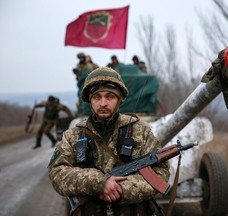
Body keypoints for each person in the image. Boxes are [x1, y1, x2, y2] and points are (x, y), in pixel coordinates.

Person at [48, 67, 170, 216]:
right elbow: (57, 173)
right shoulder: (73, 135)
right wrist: (99, 183)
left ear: (119, 100)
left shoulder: (141, 132)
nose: (103, 103)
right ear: (90, 100)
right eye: (97, 97)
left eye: (110, 96)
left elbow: (160, 173)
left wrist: (119, 189)